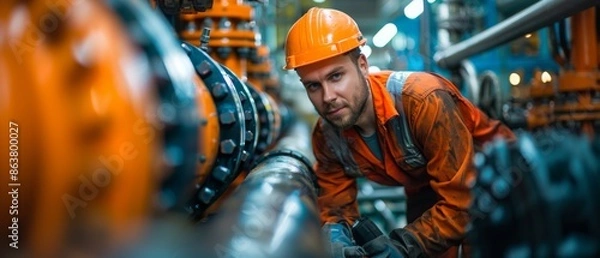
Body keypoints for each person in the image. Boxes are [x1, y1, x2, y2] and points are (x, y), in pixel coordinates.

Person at [283, 7, 515, 258]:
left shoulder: (422, 101)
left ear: (362, 66)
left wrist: (404, 245)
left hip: (502, 179)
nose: (328, 97)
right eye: (313, 86)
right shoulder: (328, 137)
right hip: (425, 189)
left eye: (336, 76)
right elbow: (336, 208)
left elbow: (461, 204)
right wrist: (336, 234)